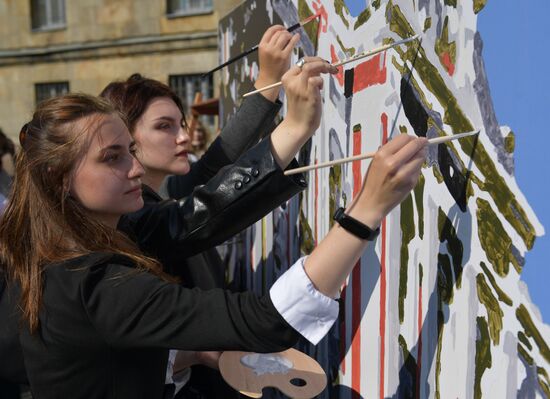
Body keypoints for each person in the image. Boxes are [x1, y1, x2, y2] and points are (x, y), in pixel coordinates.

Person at [0, 61, 427, 398]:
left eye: (129, 151)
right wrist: (364, 212)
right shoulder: (92, 283)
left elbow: (196, 215)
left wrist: (294, 128)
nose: (134, 168)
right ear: (59, 178)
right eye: (111, 158)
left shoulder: (94, 234)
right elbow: (266, 320)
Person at [100, 25, 301, 397]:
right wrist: (296, 125)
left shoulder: (156, 198)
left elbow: (215, 165)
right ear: (123, 138)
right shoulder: (130, 219)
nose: (183, 137)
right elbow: (208, 203)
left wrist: (269, 83)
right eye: (164, 127)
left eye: (181, 124)